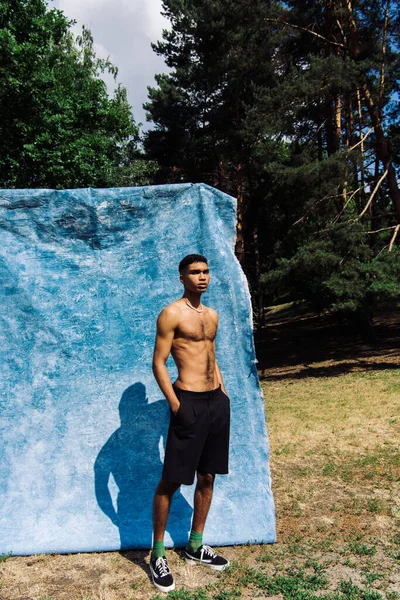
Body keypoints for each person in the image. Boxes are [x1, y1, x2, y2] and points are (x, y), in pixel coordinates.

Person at [149, 254, 230, 593]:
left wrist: (223, 393)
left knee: (207, 475)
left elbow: (211, 356)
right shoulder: (171, 314)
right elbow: (159, 362)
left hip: (215, 402)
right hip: (189, 402)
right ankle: (157, 554)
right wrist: (176, 404)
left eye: (205, 271)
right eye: (194, 272)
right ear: (182, 277)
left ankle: (195, 545)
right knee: (171, 481)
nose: (202, 277)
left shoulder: (211, 315)